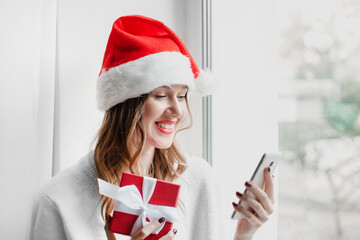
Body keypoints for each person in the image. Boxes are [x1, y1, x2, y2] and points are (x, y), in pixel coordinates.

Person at [31, 15, 274, 240]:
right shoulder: (59, 199)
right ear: (126, 104)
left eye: (182, 95)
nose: (178, 111)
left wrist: (244, 233)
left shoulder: (199, 179)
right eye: (160, 95)